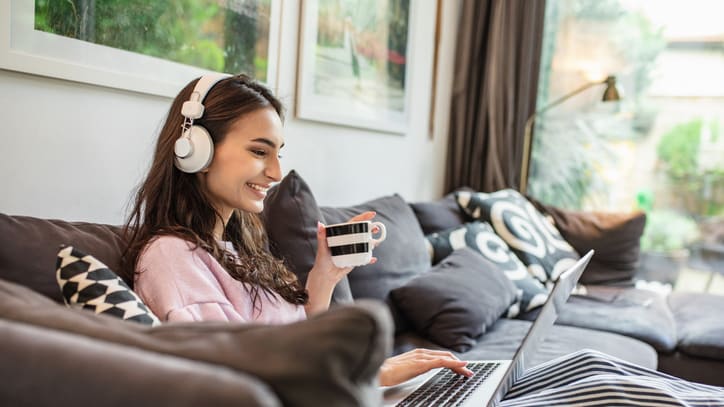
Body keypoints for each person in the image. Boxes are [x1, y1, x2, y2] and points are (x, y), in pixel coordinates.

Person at [121, 74, 724, 404]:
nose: (275, 174)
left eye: (279, 154)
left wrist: (325, 281)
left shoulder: (234, 250)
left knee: (595, 369)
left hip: (352, 388)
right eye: (259, 151)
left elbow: (286, 338)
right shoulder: (172, 256)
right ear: (193, 148)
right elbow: (230, 376)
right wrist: (378, 375)